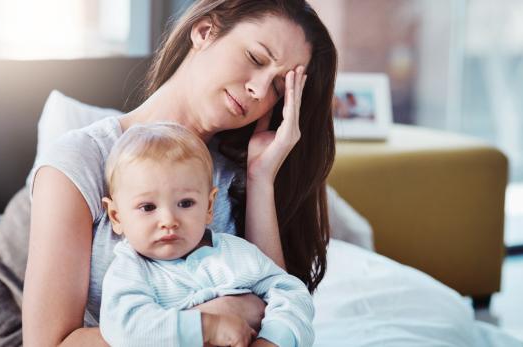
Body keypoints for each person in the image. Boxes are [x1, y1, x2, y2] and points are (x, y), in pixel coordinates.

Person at [23, 0, 336, 345]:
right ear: (205, 31)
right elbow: (48, 343)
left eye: (278, 88)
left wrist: (261, 178)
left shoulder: (238, 175)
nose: (259, 91)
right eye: (256, 59)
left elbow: (272, 306)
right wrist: (205, 323)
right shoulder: (80, 161)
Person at [99, 122, 314, 347]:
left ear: (209, 206)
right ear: (116, 216)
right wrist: (209, 328)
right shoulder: (130, 271)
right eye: (148, 207)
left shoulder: (235, 253)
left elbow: (291, 293)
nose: (169, 221)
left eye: (185, 203)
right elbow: (125, 328)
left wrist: (273, 339)